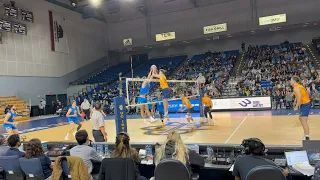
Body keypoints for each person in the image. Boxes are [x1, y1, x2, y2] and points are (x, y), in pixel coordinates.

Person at [290, 76, 312, 140]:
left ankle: (307, 137)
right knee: (301, 118)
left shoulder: (296, 87)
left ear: (294, 81)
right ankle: (306, 134)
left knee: (303, 121)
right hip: (304, 104)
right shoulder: (298, 86)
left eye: (291, 80)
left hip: (305, 104)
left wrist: (296, 106)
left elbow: (299, 97)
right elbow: (298, 96)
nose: (290, 81)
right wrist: (295, 102)